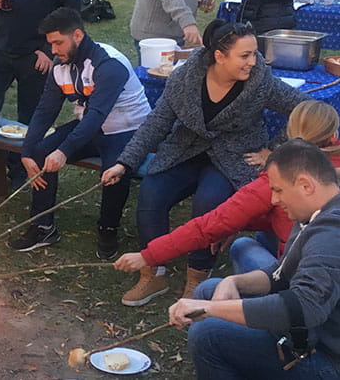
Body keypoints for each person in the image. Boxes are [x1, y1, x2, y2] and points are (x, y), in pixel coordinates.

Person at [102, 19, 307, 307]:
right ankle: (154, 272)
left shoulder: (260, 80)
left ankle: (196, 279)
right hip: (184, 150)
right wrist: (125, 163)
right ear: (219, 56)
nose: (254, 61)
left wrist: (274, 152)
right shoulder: (184, 78)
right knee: (151, 195)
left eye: (255, 54)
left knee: (209, 204)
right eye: (245, 55)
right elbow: (157, 124)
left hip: (234, 155)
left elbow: (305, 111)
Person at [170, 139, 340, 380]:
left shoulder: (332, 233)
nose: (273, 200)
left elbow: (305, 307)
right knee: (211, 288)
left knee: (208, 334)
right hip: (307, 335)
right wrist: (235, 282)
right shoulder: (315, 215)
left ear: (305, 185)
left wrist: (213, 310)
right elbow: (281, 273)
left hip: (327, 359)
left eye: (278, 190)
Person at [113, 100, 340, 277]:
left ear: (289, 133)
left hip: (306, 278)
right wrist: (238, 222)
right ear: (333, 135)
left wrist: (148, 255)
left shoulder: (280, 176)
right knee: (266, 230)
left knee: (243, 246)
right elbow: (282, 216)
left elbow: (207, 226)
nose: (274, 198)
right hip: (324, 259)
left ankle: (261, 302)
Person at [9, 8, 151, 260]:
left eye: (58, 42)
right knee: (42, 152)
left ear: (77, 35)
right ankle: (43, 226)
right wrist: (28, 150)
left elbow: (97, 113)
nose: (53, 50)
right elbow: (45, 109)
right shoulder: (60, 65)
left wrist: (64, 151)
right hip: (90, 124)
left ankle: (108, 229)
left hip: (127, 129)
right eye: (50, 43)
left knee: (114, 172)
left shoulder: (109, 64)